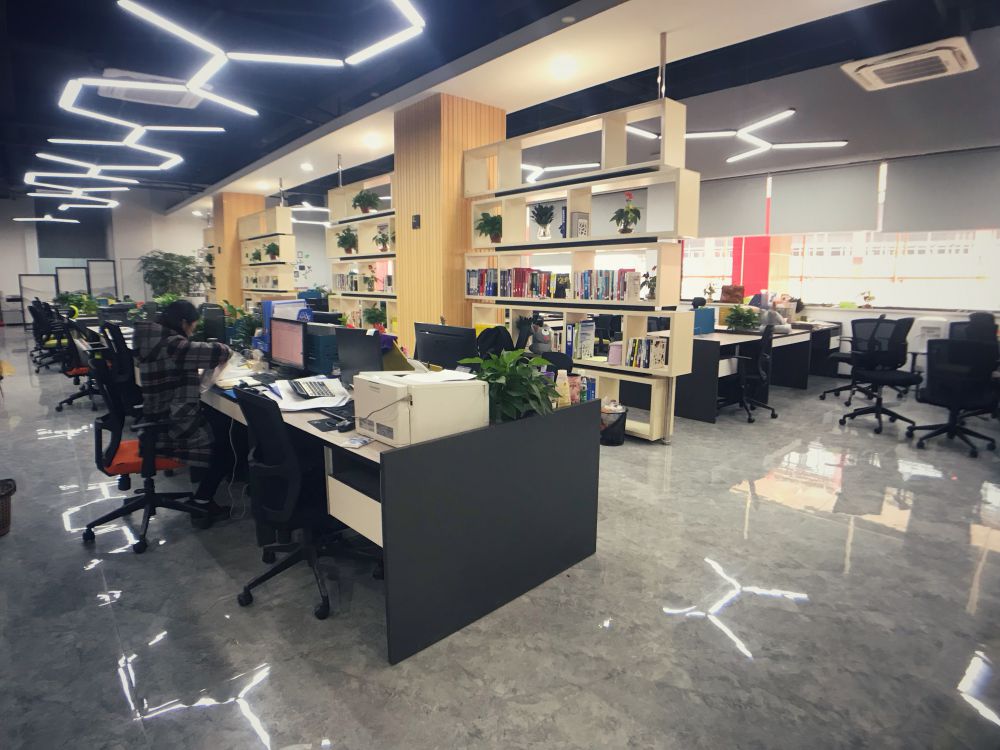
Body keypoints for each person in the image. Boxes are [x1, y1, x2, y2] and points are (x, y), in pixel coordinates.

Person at [133, 300, 233, 514]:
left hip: (156, 417)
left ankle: (201, 488)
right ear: (184, 323)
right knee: (227, 446)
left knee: (220, 424)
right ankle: (202, 501)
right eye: (192, 327)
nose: (192, 332)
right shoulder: (173, 345)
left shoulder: (150, 338)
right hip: (172, 425)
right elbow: (220, 352)